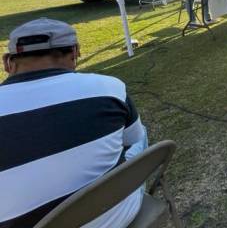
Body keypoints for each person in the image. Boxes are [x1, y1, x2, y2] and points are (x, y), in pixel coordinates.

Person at [1, 19, 147, 227]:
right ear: (75, 52)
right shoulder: (109, 87)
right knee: (139, 134)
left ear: (7, 62)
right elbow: (132, 140)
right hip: (118, 215)